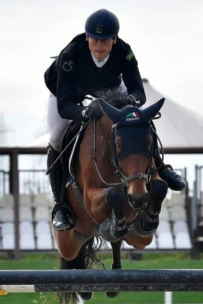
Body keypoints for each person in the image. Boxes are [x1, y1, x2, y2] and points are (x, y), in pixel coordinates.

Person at [43, 9, 185, 231]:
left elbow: (139, 91)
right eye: (95, 39)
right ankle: (60, 205)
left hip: (107, 88)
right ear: (87, 37)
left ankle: (162, 168)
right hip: (67, 92)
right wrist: (83, 112)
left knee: (138, 119)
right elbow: (65, 106)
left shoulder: (125, 52)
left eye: (105, 40)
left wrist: (129, 100)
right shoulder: (70, 55)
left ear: (114, 39)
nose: (100, 45)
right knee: (56, 136)